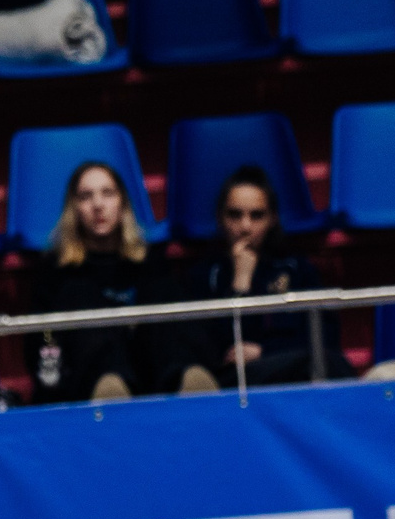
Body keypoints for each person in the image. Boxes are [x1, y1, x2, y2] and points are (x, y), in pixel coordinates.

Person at [151, 166, 342, 394]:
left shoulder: (297, 270)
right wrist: (240, 284)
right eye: (235, 215)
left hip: (291, 374)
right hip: (231, 382)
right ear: (220, 218)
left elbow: (325, 339)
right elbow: (209, 353)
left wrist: (265, 352)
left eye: (256, 215)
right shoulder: (203, 277)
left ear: (272, 219)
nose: (245, 227)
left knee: (331, 365)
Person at [28, 161, 160, 404]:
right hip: (82, 387)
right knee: (78, 293)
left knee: (163, 292)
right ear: (74, 208)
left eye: (107, 194)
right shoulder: (56, 271)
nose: (98, 205)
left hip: (149, 379)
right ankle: (110, 385)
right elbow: (43, 341)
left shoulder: (148, 263)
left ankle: (190, 383)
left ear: (123, 204)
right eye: (86, 196)